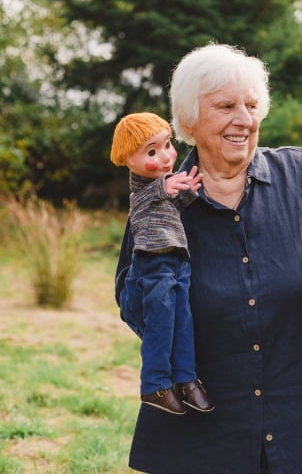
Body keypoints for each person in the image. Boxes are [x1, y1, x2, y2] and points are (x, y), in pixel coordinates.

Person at [114, 43, 302, 472]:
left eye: (251, 105)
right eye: (226, 106)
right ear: (189, 120)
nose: (244, 119)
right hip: (205, 428)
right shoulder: (160, 203)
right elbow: (131, 302)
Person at [110, 112, 213, 415]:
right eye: (152, 152)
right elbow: (142, 204)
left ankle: (186, 379)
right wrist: (165, 187)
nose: (167, 157)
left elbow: (172, 207)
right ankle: (154, 385)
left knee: (183, 323)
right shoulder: (142, 191)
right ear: (128, 159)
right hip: (153, 266)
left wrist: (188, 192)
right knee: (162, 326)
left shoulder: (162, 186)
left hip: (177, 263)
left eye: (167, 145)